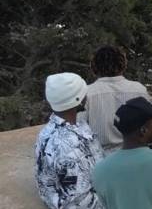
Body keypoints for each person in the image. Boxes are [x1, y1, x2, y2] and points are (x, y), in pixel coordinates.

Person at [35, 73, 104, 209]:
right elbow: (80, 203)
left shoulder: (50, 129)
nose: (86, 95)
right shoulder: (69, 148)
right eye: (84, 93)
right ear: (78, 100)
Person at [83, 45, 148, 153]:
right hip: (135, 152)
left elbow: (80, 129)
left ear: (94, 67)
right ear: (123, 64)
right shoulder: (139, 90)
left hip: (101, 156)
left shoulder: (86, 93)